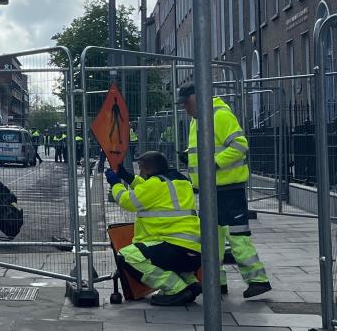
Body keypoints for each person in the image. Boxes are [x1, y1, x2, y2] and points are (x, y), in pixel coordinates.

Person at [177, 84, 271, 298]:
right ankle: (215, 281)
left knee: (238, 235)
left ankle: (258, 280)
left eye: (186, 103)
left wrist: (213, 164)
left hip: (228, 188)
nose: (184, 108)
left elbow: (240, 145)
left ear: (198, 98)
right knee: (212, 237)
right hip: (211, 189)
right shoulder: (197, 120)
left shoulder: (219, 116)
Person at [106, 151, 202, 306]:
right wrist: (128, 177)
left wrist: (116, 184)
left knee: (127, 257)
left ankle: (176, 289)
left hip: (174, 248)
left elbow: (127, 201)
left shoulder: (155, 185)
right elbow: (149, 189)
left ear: (149, 169)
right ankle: (191, 284)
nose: (141, 172)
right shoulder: (181, 181)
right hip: (193, 251)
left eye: (142, 168)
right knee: (160, 253)